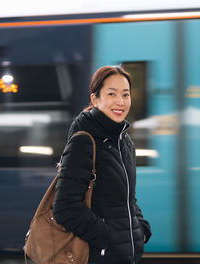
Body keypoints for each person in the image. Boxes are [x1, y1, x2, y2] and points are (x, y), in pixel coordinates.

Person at [53, 65, 152, 264]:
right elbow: (65, 208)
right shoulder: (84, 141)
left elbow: (126, 198)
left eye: (126, 94)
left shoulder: (124, 142)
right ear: (95, 99)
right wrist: (108, 238)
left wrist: (139, 227)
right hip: (99, 257)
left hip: (125, 256)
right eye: (112, 94)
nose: (120, 102)